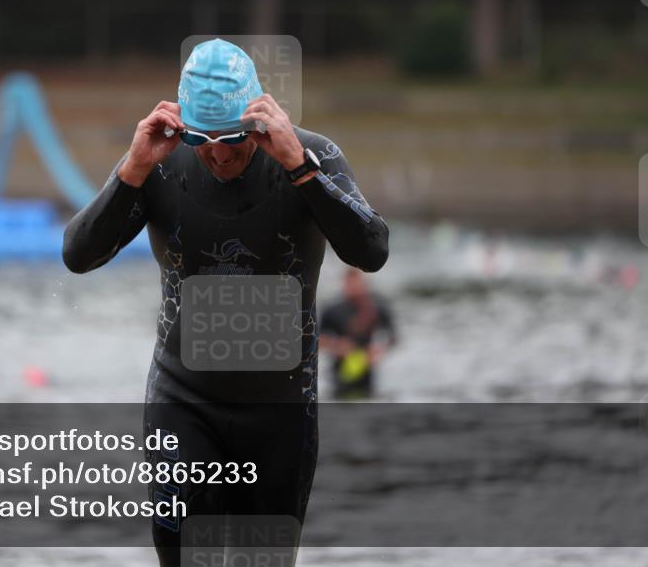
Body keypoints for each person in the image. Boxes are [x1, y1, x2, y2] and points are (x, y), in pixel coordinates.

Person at [62, 38, 389, 566]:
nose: (217, 154)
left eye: (232, 139)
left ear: (259, 119)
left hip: (281, 409)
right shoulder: (158, 165)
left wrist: (300, 169)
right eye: (202, 139)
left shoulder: (313, 154)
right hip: (183, 400)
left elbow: (371, 251)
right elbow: (79, 255)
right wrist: (132, 170)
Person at [319, 267, 398, 400]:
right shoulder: (332, 310)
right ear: (344, 284)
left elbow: (393, 337)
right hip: (339, 369)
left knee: (367, 399)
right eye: (350, 284)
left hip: (367, 366)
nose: (354, 288)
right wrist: (337, 346)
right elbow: (317, 340)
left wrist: (378, 350)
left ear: (364, 284)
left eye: (357, 283)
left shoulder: (378, 308)